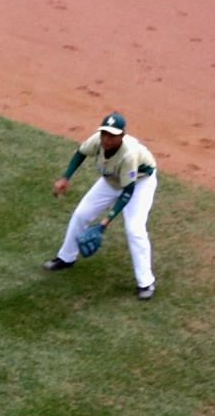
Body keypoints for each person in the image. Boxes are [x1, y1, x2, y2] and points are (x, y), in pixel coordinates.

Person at [44, 111, 160, 300]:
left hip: (139, 183)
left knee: (134, 229)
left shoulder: (128, 155)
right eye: (105, 133)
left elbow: (127, 192)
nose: (106, 139)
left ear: (121, 136)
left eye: (112, 135)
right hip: (111, 180)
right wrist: (66, 177)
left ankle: (146, 282)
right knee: (81, 214)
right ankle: (66, 257)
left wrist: (105, 222)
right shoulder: (97, 140)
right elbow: (81, 153)